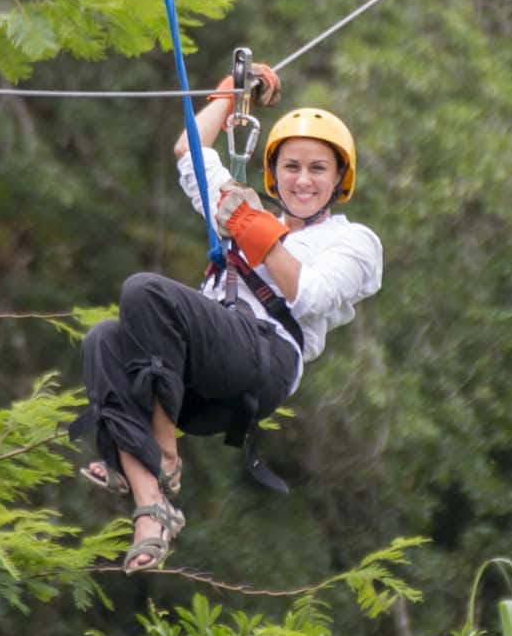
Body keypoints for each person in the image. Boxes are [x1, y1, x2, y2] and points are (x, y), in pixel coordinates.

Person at [69, 64, 383, 572]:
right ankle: (152, 509)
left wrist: (251, 227)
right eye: (292, 166)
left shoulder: (355, 241)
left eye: (318, 168)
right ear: (273, 172)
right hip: (201, 376)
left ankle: (164, 453)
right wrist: (230, 93)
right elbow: (189, 152)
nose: (302, 180)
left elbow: (308, 294)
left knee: (144, 291)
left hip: (264, 356)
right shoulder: (243, 207)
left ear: (340, 179)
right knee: (103, 340)